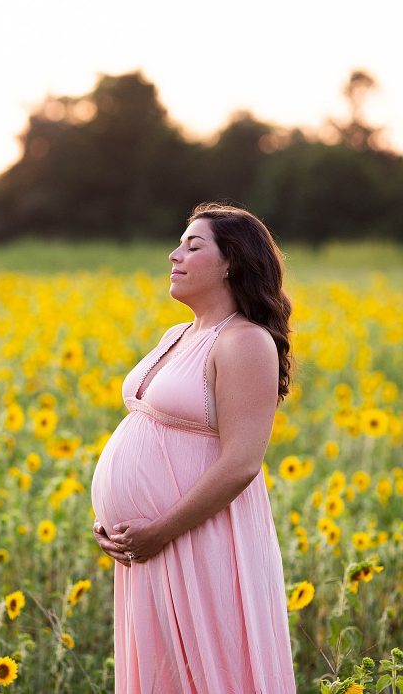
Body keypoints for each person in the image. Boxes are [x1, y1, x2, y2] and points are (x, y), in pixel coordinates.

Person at [90, 202, 296, 693]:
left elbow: (243, 462)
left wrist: (160, 529)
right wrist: (115, 523)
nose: (173, 255)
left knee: (206, 673)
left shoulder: (244, 342)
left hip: (198, 538)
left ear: (232, 262)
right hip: (150, 545)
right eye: (179, 243)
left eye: (192, 245)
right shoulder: (177, 335)